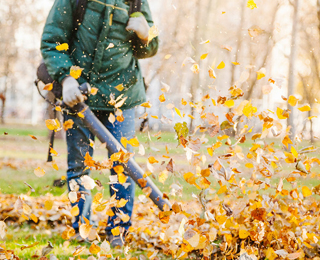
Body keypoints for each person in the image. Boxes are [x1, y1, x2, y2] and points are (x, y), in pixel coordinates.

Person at [40, 0, 158, 247]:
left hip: (122, 95)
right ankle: (84, 230)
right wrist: (66, 79)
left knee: (122, 167)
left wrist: (146, 35)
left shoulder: (136, 1)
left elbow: (149, 48)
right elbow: (52, 40)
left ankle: (118, 232)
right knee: (79, 167)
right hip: (79, 94)